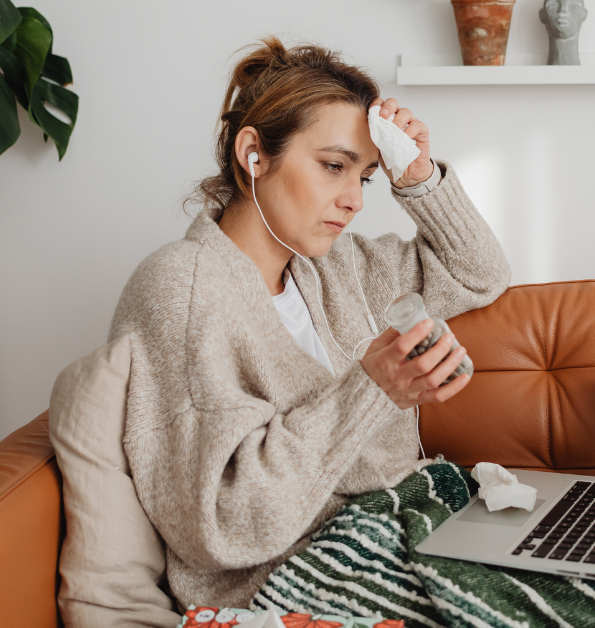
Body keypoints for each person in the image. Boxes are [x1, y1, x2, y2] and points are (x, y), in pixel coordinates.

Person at [108, 37, 511, 610]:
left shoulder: (338, 266)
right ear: (253, 154)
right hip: (297, 578)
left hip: (404, 526)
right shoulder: (182, 290)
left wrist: (416, 174)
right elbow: (224, 521)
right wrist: (372, 389)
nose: (355, 201)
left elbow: (479, 273)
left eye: (366, 176)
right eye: (332, 167)